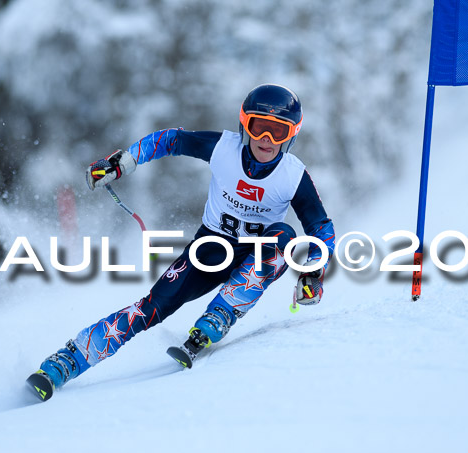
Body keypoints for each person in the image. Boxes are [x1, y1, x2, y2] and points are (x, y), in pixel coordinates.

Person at [27, 84, 336, 400]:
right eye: (260, 128)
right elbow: (171, 140)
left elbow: (321, 227)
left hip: (257, 254)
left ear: (291, 135)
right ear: (245, 124)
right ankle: (67, 361)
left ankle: (220, 315)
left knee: (284, 236)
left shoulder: (292, 175)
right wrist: (123, 162)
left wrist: (313, 271)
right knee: (151, 307)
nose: (266, 141)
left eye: (278, 132)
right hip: (210, 250)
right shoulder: (222, 148)